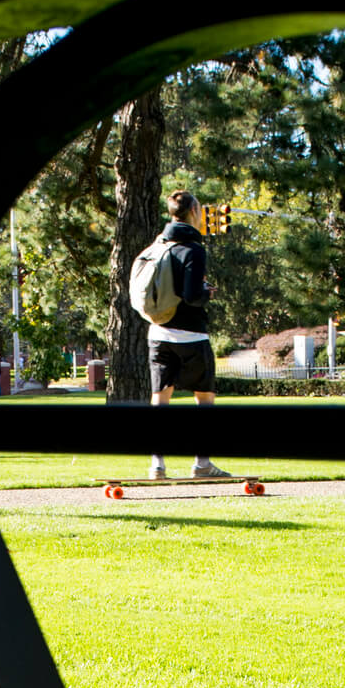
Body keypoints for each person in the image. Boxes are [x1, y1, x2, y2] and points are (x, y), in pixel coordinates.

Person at [146, 190, 229, 480]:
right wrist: (207, 292)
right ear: (193, 210)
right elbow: (192, 295)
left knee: (160, 399)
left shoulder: (159, 245)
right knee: (204, 399)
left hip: (158, 332)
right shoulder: (193, 249)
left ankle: (157, 465)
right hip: (191, 335)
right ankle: (202, 463)